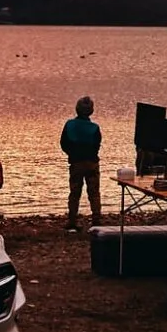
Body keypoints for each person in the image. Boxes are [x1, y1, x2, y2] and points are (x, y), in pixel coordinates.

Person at [60, 96, 103, 231]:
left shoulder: (70, 125)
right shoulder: (95, 128)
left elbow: (63, 143)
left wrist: (71, 154)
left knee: (74, 192)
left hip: (76, 163)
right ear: (91, 111)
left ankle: (72, 220)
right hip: (92, 162)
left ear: (77, 109)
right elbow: (97, 144)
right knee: (94, 192)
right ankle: (96, 219)